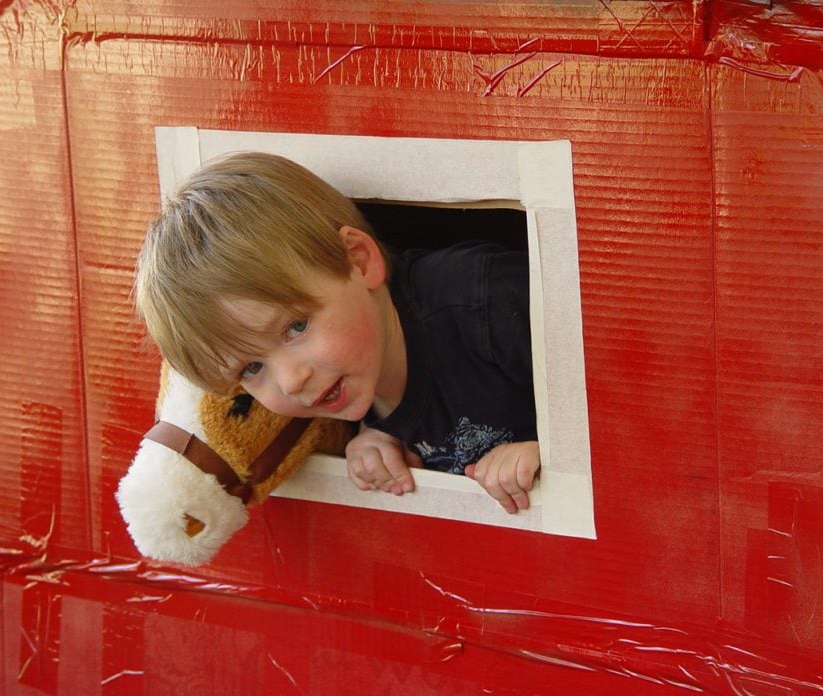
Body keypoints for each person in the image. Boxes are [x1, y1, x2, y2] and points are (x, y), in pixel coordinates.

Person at [135, 152, 539, 514]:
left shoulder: (485, 300)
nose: (292, 380)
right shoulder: (349, 379)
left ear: (360, 263)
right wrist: (371, 437)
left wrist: (548, 455)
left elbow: (600, 394)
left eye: (295, 327)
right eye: (252, 367)